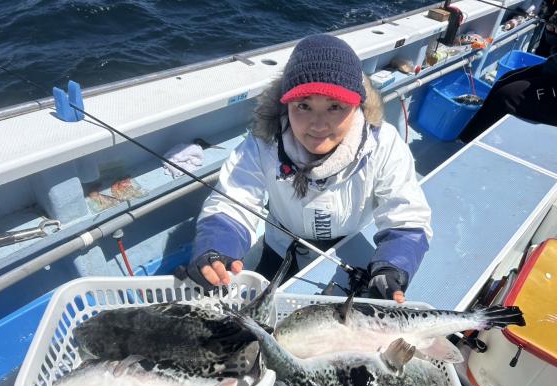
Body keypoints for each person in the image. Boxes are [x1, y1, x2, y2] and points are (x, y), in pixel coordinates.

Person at [180, 34, 432, 303]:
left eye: (335, 107)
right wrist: (217, 247)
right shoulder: (264, 143)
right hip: (279, 245)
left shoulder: (383, 144)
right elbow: (233, 201)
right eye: (304, 106)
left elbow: (407, 217)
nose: (318, 124)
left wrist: (392, 267)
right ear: (285, 104)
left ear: (356, 105)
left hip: (345, 251)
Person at [459, 3, 557, 142]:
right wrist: (555, 29)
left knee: (507, 97)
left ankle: (471, 144)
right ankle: (471, 136)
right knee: (505, 80)